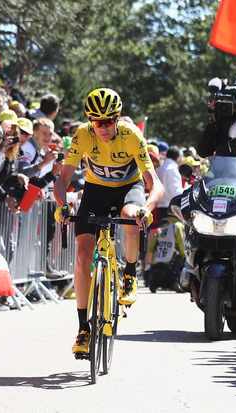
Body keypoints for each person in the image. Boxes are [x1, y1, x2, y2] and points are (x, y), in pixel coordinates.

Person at [53, 88, 164, 357]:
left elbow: (155, 184)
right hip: (96, 191)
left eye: (108, 121)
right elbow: (63, 178)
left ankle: (128, 272)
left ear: (117, 118)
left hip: (128, 188)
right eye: (97, 122)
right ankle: (83, 328)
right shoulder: (82, 135)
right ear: (90, 121)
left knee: (129, 214)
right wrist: (63, 205)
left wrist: (147, 208)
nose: (103, 127)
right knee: (82, 255)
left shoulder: (131, 136)